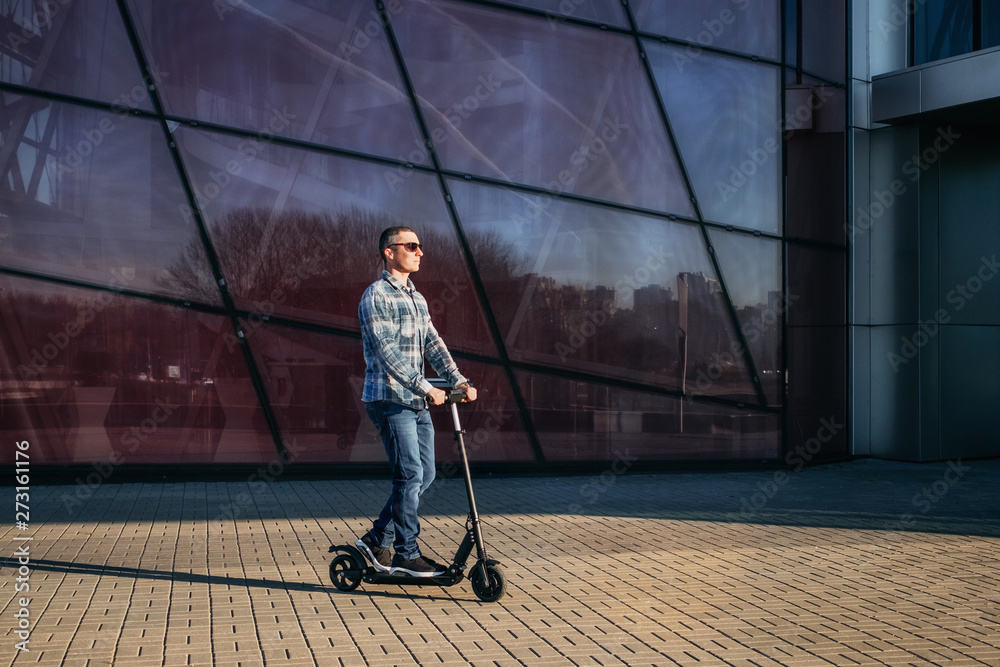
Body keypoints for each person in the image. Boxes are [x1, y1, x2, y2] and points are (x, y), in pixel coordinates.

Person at [356, 226, 477, 577]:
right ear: (389, 252)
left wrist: (458, 379)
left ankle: (377, 538)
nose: (420, 252)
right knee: (409, 474)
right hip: (390, 398)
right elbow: (387, 352)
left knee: (425, 474)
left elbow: (433, 343)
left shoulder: (416, 297)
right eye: (411, 246)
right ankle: (406, 554)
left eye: (420, 246)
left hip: (416, 399)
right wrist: (425, 386)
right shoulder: (376, 295)